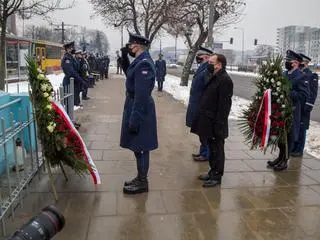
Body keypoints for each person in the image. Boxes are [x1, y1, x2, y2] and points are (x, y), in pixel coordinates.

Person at [119, 33, 158, 195]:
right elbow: (131, 76)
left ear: (136, 46)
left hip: (140, 109)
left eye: (129, 46)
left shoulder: (144, 64)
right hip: (135, 106)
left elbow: (141, 95)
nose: (128, 48)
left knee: (141, 147)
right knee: (137, 146)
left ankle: (143, 182)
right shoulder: (140, 61)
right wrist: (124, 58)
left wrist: (135, 118)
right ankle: (140, 177)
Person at [191, 54, 233, 187]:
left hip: (216, 123)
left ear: (219, 64)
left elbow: (224, 106)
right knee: (212, 149)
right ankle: (212, 171)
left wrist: (218, 125)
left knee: (218, 150)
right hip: (208, 121)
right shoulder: (214, 75)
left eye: (211, 62)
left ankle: (217, 176)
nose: (208, 64)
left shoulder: (225, 80)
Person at [267, 50, 309, 171]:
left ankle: (285, 160)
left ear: (295, 63)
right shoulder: (285, 74)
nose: (286, 62)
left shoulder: (301, 76)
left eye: (288, 61)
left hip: (292, 111)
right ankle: (280, 157)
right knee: (281, 135)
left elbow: (304, 95)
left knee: (289, 136)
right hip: (280, 109)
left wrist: (288, 92)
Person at [186, 46, 213, 162]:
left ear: (206, 57)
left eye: (200, 56)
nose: (198, 58)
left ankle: (206, 154)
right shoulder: (202, 67)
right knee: (200, 131)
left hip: (201, 106)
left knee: (204, 132)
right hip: (197, 104)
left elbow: (207, 88)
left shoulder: (207, 69)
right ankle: (203, 152)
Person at [291, 53, 319, 157]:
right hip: (297, 106)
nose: (299, 63)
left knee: (302, 128)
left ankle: (299, 150)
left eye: (301, 62)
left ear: (305, 63)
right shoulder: (297, 73)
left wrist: (308, 106)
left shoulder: (312, 75)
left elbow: (313, 93)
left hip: (304, 107)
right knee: (295, 126)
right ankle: (293, 147)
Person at [61, 41, 83, 129]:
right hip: (69, 82)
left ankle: (71, 121)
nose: (73, 49)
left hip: (73, 82)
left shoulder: (71, 57)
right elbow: (71, 72)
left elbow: (77, 68)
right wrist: (79, 79)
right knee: (68, 103)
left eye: (73, 47)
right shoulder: (67, 58)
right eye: (71, 48)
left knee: (72, 103)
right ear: (67, 49)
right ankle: (68, 123)